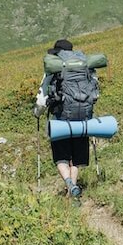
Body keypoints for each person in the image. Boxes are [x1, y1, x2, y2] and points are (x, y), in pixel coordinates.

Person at [34, 38, 97, 199]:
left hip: (60, 118)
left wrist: (37, 112)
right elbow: (95, 92)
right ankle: (73, 190)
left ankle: (69, 183)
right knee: (76, 157)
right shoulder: (84, 66)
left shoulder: (54, 68)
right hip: (83, 117)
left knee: (61, 156)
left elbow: (42, 97)